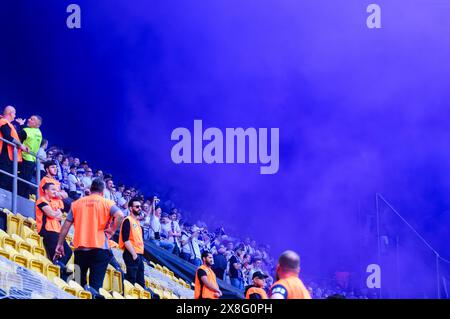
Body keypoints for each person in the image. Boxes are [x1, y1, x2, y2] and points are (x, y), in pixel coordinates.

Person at [54, 178, 124, 294]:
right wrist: (112, 230)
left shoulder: (76, 204)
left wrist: (60, 244)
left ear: (91, 189)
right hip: (100, 250)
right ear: (102, 191)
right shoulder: (107, 203)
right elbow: (120, 215)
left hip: (80, 250)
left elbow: (66, 226)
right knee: (95, 288)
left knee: (76, 284)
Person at [35, 182, 72, 278]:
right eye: (53, 190)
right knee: (55, 256)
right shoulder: (41, 200)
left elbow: (60, 216)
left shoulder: (53, 202)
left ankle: (60, 270)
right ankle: (58, 274)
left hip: (56, 231)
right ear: (46, 191)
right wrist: (56, 213)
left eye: (56, 190)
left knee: (68, 251)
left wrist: (55, 213)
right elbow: (51, 214)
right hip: (47, 231)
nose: (55, 192)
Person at [119, 197, 146, 288]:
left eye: (140, 206)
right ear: (131, 208)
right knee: (131, 281)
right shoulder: (127, 220)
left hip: (139, 255)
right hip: (131, 254)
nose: (140, 208)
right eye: (137, 207)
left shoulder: (137, 223)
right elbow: (125, 239)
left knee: (140, 283)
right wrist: (134, 254)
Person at [0, 106, 28, 191]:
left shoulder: (10, 125)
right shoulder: (3, 121)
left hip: (9, 157)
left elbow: (22, 136)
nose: (15, 116)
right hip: (4, 155)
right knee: (3, 180)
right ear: (10, 113)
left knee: (7, 180)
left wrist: (22, 125)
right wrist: (21, 145)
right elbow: (8, 137)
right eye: (14, 113)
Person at [18, 115, 43, 197]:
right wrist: (22, 125)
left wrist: (21, 125)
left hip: (24, 158)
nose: (28, 120)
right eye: (30, 118)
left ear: (37, 124)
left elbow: (17, 136)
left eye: (32, 120)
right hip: (32, 160)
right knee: (25, 182)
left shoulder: (27, 131)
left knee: (20, 182)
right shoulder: (39, 133)